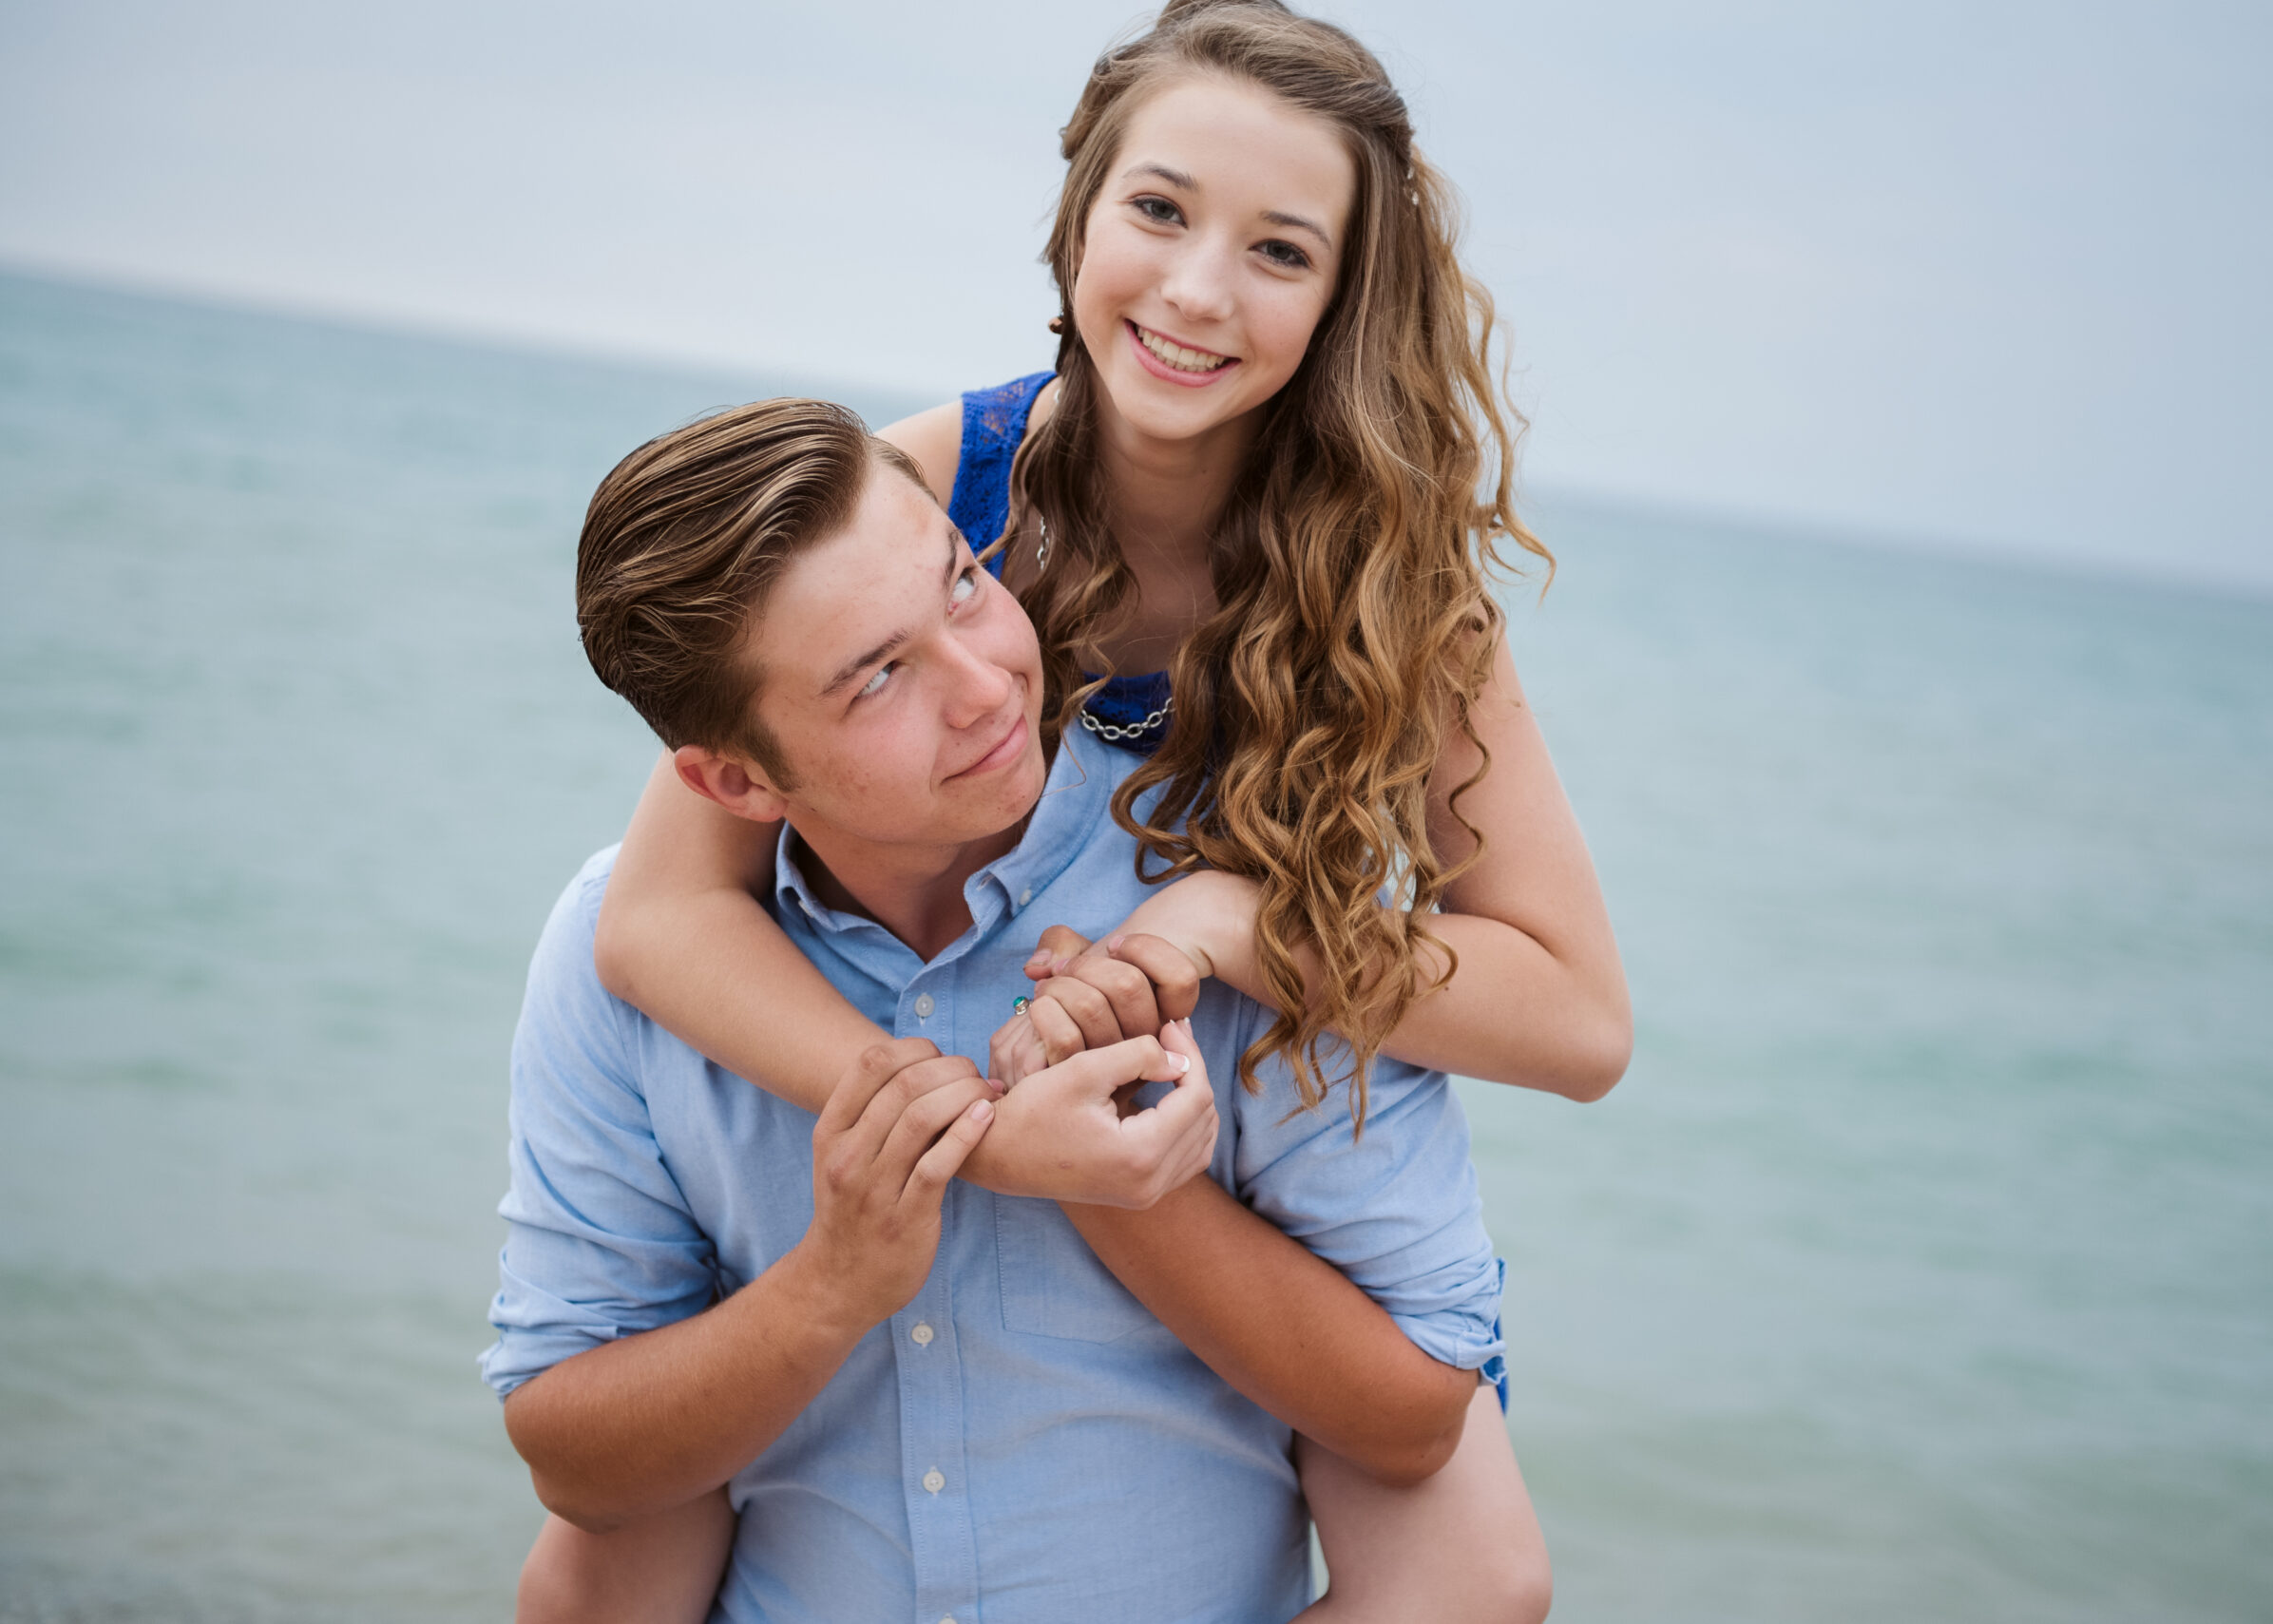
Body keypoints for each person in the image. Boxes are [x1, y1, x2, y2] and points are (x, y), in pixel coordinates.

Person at [534, 0, 1629, 1612]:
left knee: (1472, 1558)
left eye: (1279, 250)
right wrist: (965, 1139)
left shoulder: (1400, 598)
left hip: (1251, 1079)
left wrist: (1235, 915)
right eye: (1160, 210)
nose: (1194, 290)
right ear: (1077, 215)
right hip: (1010, 1066)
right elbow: (659, 914)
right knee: (599, 1552)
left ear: (1341, 296)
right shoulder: (931, 489)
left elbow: (1579, 1020)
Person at [487, 400, 1540, 1624]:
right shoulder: (627, 960)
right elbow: (571, 1461)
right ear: (737, 780)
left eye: (963, 584)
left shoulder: (1227, 897)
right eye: (880, 678)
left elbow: (1417, 1424)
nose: (988, 685)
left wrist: (1116, 1190)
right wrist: (830, 1286)